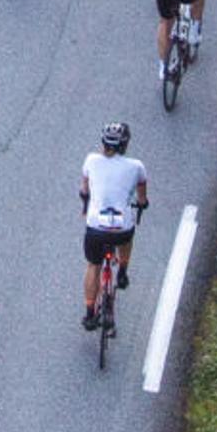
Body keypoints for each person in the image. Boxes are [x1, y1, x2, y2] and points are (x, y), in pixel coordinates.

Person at [79, 122, 149, 328]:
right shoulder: (137, 167)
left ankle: (90, 312)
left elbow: (84, 191)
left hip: (95, 228)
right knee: (127, 235)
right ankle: (123, 272)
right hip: (121, 229)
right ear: (125, 145)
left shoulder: (91, 160)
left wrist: (85, 206)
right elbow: (142, 198)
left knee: (93, 264)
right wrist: (142, 204)